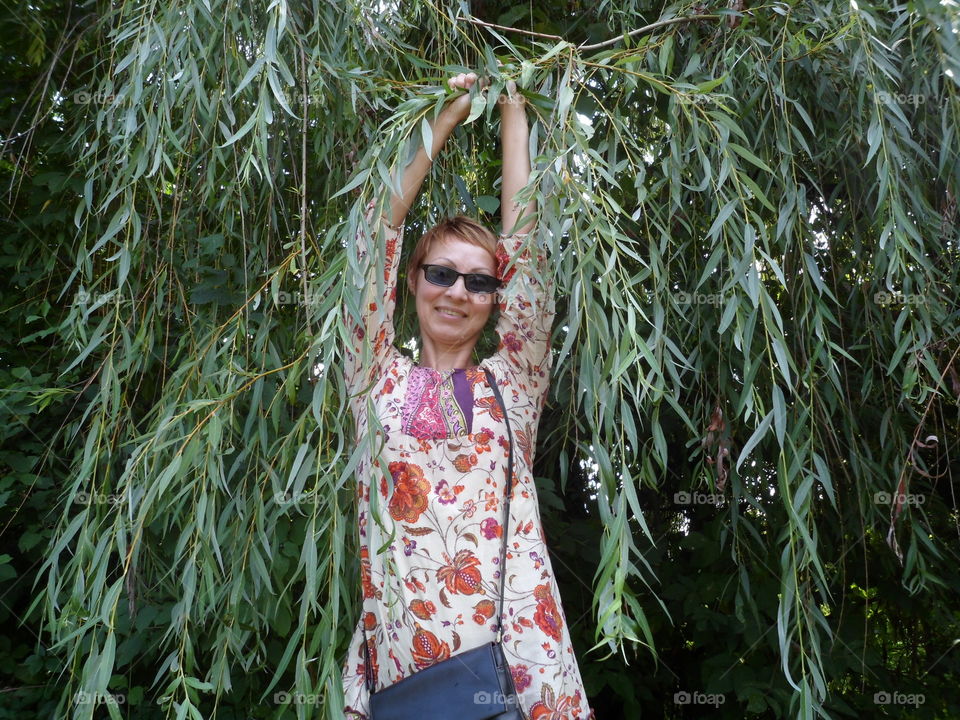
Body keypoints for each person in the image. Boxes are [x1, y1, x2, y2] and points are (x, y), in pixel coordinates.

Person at [341, 71, 594, 720]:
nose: (457, 291)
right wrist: (444, 118)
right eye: (441, 273)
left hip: (516, 673)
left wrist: (512, 112)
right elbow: (368, 241)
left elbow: (528, 259)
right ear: (415, 279)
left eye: (478, 282)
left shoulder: (509, 385)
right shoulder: (377, 380)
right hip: (398, 678)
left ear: (495, 300)